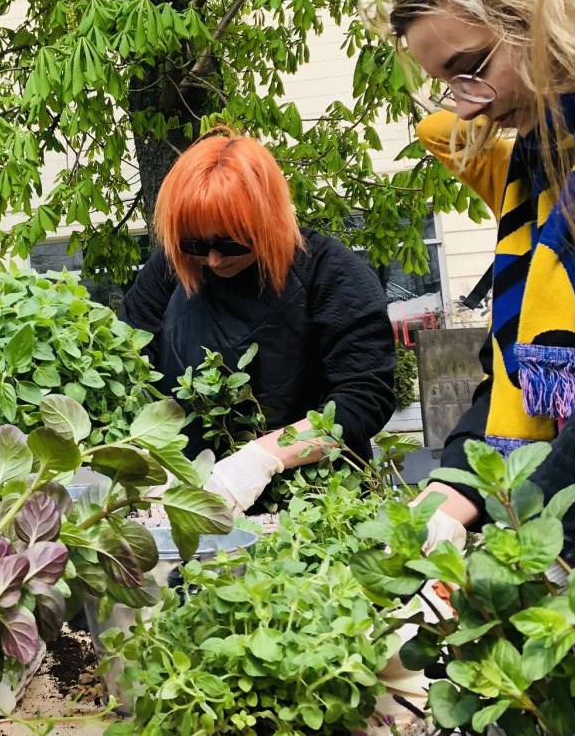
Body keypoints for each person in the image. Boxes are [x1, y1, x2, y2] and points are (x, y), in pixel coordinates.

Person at [379, 0, 575, 561]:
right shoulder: (547, 154)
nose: (465, 108)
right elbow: (508, 369)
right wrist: (455, 485)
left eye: (470, 69)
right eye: (447, 84)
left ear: (542, 5)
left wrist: (514, 556)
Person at [118, 128, 397, 514]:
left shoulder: (331, 274)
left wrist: (262, 459)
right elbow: (129, 367)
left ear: (268, 220)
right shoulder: (167, 272)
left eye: (231, 243)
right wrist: (152, 461)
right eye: (195, 244)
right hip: (194, 504)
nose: (213, 260)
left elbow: (363, 398)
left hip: (316, 506)